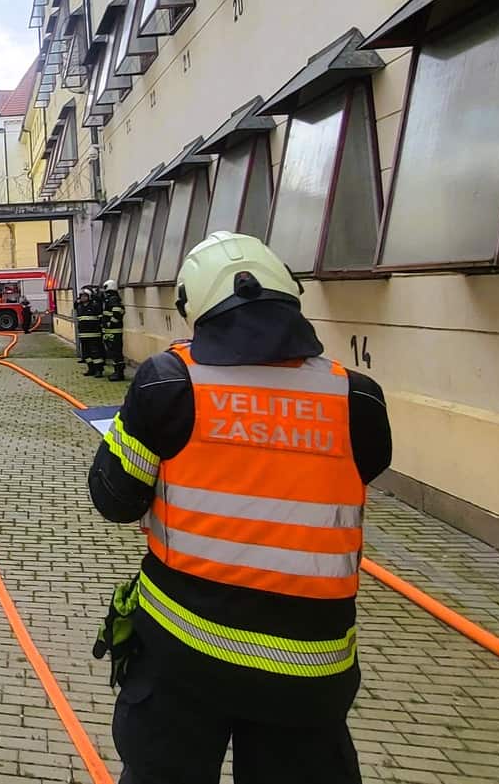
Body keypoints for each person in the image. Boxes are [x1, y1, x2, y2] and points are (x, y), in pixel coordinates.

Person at [89, 231, 392, 784]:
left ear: (195, 306)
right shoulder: (358, 398)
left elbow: (114, 498)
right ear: (289, 295)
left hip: (183, 653)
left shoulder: (169, 384)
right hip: (311, 670)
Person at [76, 282, 105, 376]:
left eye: (85, 296)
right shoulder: (80, 307)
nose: (83, 298)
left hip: (94, 334)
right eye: (81, 296)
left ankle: (99, 370)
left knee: (96, 353)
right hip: (83, 334)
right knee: (86, 354)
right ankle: (91, 369)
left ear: (89, 297)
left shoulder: (94, 306)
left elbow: (100, 318)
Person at [102, 279, 126, 382]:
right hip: (111, 331)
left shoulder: (113, 299)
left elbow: (117, 312)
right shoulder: (112, 298)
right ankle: (117, 372)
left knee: (116, 353)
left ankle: (119, 373)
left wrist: (110, 323)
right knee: (114, 353)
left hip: (114, 331)